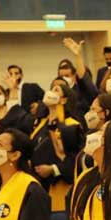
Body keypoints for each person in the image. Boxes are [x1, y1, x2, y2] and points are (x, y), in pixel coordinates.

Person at [31, 82, 82, 212]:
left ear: (64, 100)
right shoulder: (40, 123)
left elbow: (75, 157)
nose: (51, 92)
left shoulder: (71, 125)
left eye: (56, 90)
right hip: (39, 183)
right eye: (51, 88)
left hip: (61, 185)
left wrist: (53, 169)